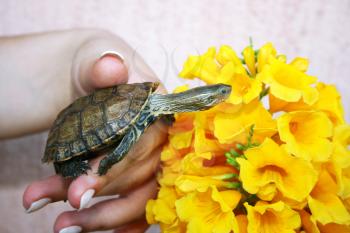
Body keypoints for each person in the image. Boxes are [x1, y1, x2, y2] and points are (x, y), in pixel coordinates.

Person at [0, 29, 167, 233]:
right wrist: (64, 66)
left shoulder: (163, 110)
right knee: (70, 167)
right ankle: (66, 166)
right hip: (75, 123)